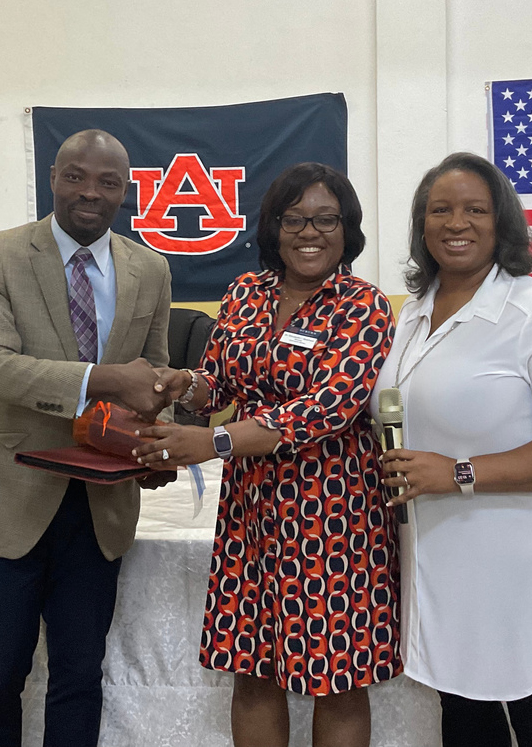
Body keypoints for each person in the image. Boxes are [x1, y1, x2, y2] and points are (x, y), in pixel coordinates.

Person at [132, 162, 402, 747]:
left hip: (335, 514)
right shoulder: (244, 293)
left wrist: (212, 442)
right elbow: (222, 385)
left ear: (347, 228)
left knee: (338, 676)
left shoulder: (364, 306)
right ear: (273, 228)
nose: (311, 232)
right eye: (295, 218)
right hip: (251, 510)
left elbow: (326, 408)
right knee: (252, 666)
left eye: (326, 219)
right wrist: (187, 385)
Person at [372, 152, 532, 746]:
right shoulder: (411, 313)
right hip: (439, 555)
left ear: (501, 222)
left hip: (524, 560)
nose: (457, 223)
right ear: (422, 226)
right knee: (465, 723)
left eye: (475, 209)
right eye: (441, 210)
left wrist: (457, 473)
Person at [0, 129, 173, 747]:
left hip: (100, 508)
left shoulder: (150, 268)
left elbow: (149, 384)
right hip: (7, 499)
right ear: (52, 177)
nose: (89, 192)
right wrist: (102, 378)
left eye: (106, 181)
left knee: (79, 678)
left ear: (126, 190)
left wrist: (155, 445)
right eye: (75, 176)